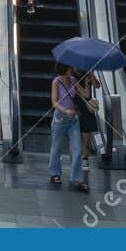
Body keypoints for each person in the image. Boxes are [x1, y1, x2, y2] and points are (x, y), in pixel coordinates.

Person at [48, 64, 89, 192]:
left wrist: (88, 82)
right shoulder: (56, 82)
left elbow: (86, 95)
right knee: (56, 148)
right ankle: (55, 173)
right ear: (65, 69)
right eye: (70, 68)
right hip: (60, 118)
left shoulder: (73, 80)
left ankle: (77, 179)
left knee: (77, 148)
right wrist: (65, 110)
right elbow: (54, 102)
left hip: (73, 119)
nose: (73, 69)